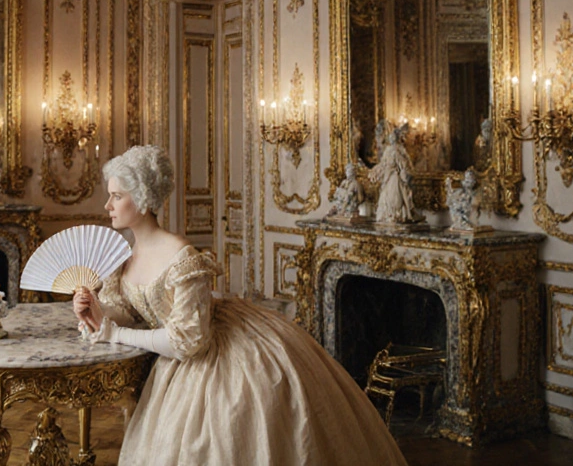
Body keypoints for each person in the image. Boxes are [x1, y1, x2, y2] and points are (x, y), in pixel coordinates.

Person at [72, 145, 407, 466]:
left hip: (218, 355)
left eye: (117, 196)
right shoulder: (125, 258)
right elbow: (123, 313)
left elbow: (187, 341)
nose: (107, 205)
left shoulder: (181, 256)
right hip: (180, 351)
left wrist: (115, 334)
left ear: (143, 200)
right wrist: (93, 311)